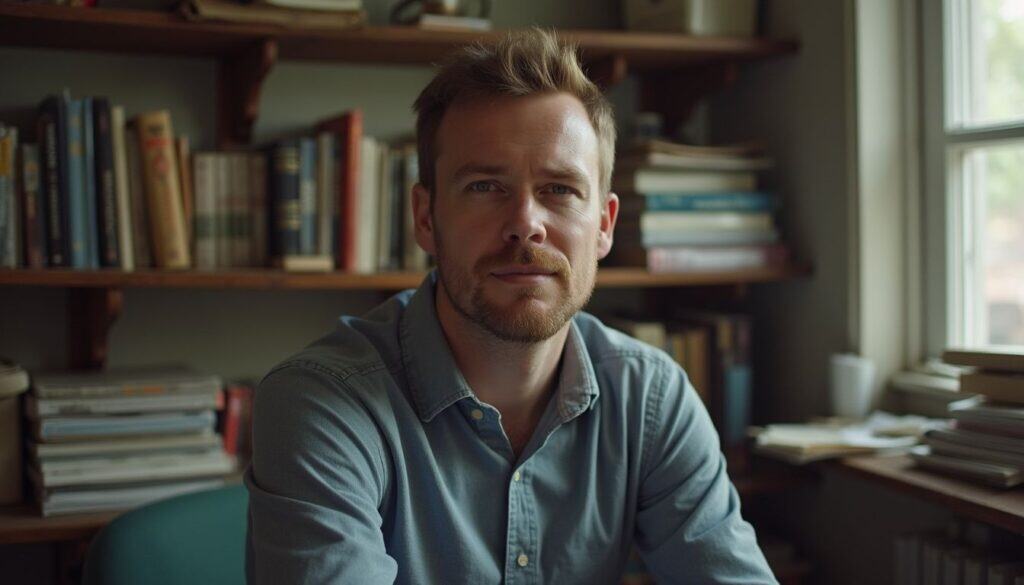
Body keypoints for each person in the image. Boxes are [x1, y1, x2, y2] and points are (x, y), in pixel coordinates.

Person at [245, 28, 777, 585]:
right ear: (426, 218)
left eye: (560, 189)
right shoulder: (323, 404)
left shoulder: (650, 398)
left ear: (604, 225)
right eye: (484, 186)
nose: (526, 223)